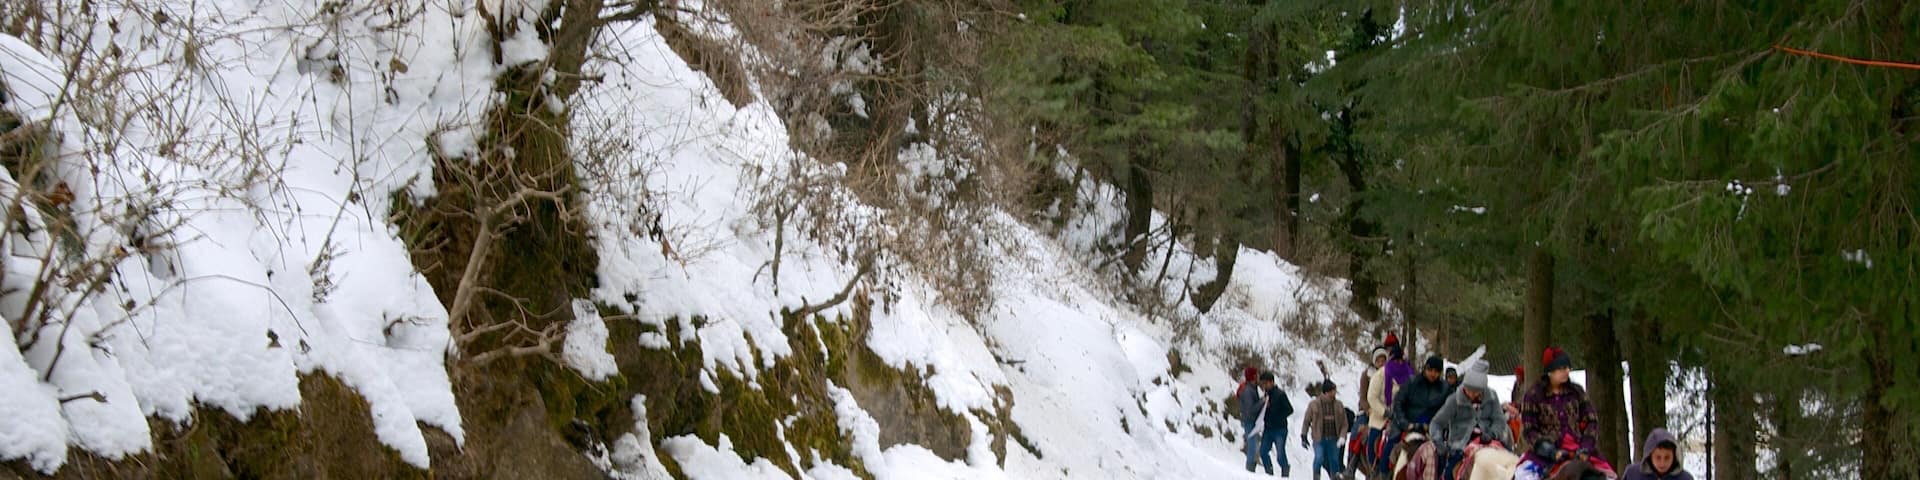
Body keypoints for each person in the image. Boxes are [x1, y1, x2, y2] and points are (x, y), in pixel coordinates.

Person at [1517, 347, 1615, 479]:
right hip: (1545, 454)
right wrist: (1550, 451)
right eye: (1562, 368)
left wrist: (1586, 446)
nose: (1567, 371)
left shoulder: (1577, 392)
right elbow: (1529, 430)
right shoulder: (1533, 395)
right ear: (1550, 371)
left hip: (1579, 449)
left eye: (1568, 367)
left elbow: (1591, 421)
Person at [1431, 358, 1511, 479]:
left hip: (1488, 442)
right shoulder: (1454, 400)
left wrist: (1492, 433)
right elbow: (1436, 423)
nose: (1472, 394)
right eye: (1470, 390)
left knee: (1509, 468)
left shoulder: (1492, 397)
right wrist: (1440, 443)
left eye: (1476, 391)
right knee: (1449, 474)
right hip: (1461, 445)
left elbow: (1499, 420)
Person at [1381, 356, 1451, 474]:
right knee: (1391, 446)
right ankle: (1383, 473)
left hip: (1431, 427)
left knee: (1444, 453)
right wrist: (1405, 423)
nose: (1433, 374)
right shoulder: (1412, 382)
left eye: (1436, 371)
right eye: (1430, 370)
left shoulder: (1444, 388)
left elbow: (1448, 410)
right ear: (1425, 369)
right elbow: (1398, 403)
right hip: (1408, 422)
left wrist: (1435, 426)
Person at [1303, 380, 1349, 480]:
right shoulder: (1314, 404)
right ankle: (1316, 477)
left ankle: (1334, 478)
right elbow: (1307, 420)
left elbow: (1345, 424)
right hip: (1319, 438)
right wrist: (1303, 435)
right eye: (1332, 391)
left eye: (1335, 391)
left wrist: (1342, 436)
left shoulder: (1339, 405)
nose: (1334, 394)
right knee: (1319, 458)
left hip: (1334, 439)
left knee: (1334, 462)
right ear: (1326, 392)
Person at [1254, 372, 1296, 476]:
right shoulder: (1266, 394)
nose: (1264, 386)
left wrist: (1274, 412)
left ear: (1272, 382)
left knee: (1280, 454)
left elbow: (1290, 410)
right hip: (1268, 428)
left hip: (1280, 429)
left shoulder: (1280, 394)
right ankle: (1269, 473)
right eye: (1263, 384)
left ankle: (1285, 472)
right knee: (1263, 452)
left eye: (1266, 383)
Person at [1620, 429, 1693, 480]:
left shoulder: (1685, 478)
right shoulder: (1633, 474)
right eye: (1658, 457)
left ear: (1674, 456)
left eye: (1667, 457)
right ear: (1649, 455)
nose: (1662, 463)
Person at [1240, 366, 1265, 471]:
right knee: (1252, 447)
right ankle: (1249, 470)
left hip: (1252, 421)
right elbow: (1250, 410)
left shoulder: (1252, 388)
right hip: (1249, 421)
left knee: (1253, 446)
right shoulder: (1248, 391)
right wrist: (1262, 401)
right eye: (1257, 375)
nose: (1258, 376)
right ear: (1253, 377)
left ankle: (1250, 469)